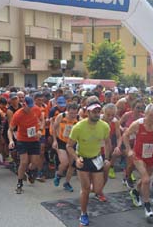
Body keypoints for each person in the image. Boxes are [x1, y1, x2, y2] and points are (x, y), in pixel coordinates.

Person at [66, 96, 111, 226]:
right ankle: (83, 214)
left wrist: (107, 158)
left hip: (96, 159)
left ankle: (90, 189)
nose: (97, 114)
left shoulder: (104, 126)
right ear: (87, 112)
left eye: (99, 111)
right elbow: (69, 146)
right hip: (83, 160)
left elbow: (107, 143)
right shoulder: (79, 127)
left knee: (97, 190)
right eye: (94, 111)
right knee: (85, 189)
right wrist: (76, 158)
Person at [123, 104, 153, 217]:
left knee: (144, 180)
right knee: (147, 179)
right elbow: (125, 135)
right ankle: (147, 206)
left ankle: (135, 191)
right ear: (145, 114)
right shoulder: (138, 124)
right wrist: (129, 150)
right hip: (138, 156)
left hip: (151, 155)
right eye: (150, 116)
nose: (152, 118)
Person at [8, 96, 44, 194]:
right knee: (24, 162)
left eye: (32, 106)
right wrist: (11, 141)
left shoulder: (36, 109)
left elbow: (42, 118)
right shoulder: (18, 114)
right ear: (24, 105)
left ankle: (28, 171)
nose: (31, 108)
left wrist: (40, 130)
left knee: (35, 163)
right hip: (22, 140)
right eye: (29, 107)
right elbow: (10, 129)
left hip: (34, 139)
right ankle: (19, 183)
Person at [52, 102, 79, 192]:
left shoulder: (78, 119)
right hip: (61, 141)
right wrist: (55, 141)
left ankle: (67, 183)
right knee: (65, 162)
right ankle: (59, 175)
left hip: (72, 143)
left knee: (72, 164)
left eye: (75, 113)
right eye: (71, 113)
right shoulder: (61, 116)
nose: (73, 115)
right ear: (67, 111)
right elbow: (54, 127)